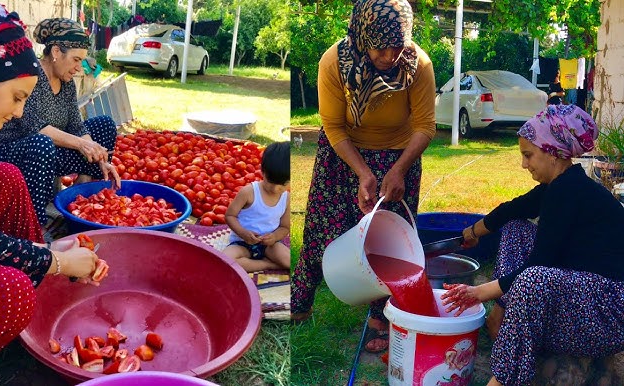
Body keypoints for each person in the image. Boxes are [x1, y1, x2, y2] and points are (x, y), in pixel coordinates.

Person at [0, 2, 100, 385]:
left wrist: (45, 254)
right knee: (12, 294)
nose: (18, 111)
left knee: (6, 178)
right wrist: (55, 260)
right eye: (16, 97)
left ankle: (35, 273)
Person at [290, 0, 436, 354]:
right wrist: (363, 173)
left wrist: (398, 169)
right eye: (380, 47)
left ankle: (380, 317)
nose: (389, 56)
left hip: (399, 155)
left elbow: (425, 126)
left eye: (397, 46)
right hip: (344, 153)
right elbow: (333, 126)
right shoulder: (333, 63)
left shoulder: (419, 65)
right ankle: (299, 301)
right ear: (362, 35)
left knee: (389, 237)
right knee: (322, 227)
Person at [441, 105, 624, 386]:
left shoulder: (567, 191)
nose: (524, 164)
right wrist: (471, 232)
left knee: (534, 278)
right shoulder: (562, 185)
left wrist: (480, 292)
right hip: (586, 298)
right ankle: (500, 321)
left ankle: (502, 379)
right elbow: (512, 210)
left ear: (553, 152)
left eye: (528, 155)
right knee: (516, 229)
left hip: (606, 315)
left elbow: (540, 264)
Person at [0, 18, 121, 229]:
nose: (79, 68)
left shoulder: (66, 82)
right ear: (57, 52)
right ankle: (34, 226)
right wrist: (82, 145)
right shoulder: (30, 77)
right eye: (76, 60)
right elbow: (34, 127)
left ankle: (80, 201)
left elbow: (77, 126)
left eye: (82, 61)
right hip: (17, 154)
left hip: (49, 152)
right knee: (43, 143)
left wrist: (97, 152)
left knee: (104, 125)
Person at [223, 141, 291, 273]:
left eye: (283, 185)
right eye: (271, 182)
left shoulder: (286, 198)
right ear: (262, 171)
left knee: (291, 262)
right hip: (242, 243)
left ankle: (262, 263)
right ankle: (267, 265)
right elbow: (230, 216)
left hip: (270, 246)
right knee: (225, 260)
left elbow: (285, 227)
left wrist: (274, 237)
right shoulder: (248, 192)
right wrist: (243, 233)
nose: (275, 188)